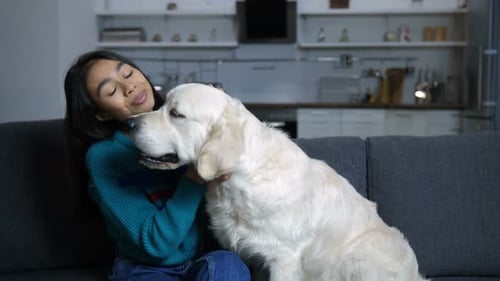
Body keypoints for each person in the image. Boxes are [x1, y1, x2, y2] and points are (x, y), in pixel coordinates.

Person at [63, 50, 251, 281]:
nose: (128, 86)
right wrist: (195, 177)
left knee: (228, 263)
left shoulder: (189, 124)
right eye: (111, 91)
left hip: (202, 261)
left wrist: (220, 112)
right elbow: (156, 244)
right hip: (146, 269)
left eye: (128, 73)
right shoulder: (104, 158)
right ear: (101, 113)